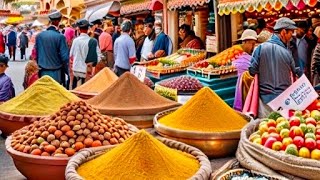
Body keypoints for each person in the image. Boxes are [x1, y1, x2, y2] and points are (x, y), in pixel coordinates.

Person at [249, 17, 298, 118]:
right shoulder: (287, 53)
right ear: (283, 32)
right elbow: (295, 72)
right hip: (283, 101)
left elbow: (252, 71)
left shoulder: (259, 48)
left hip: (264, 101)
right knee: (280, 130)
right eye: (291, 33)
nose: (292, 36)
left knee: (265, 130)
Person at [35, 11, 69, 85]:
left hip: (42, 71)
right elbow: (65, 57)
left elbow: (36, 54)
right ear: (58, 21)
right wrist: (67, 71)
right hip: (56, 72)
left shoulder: (39, 36)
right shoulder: (60, 37)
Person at [70, 19, 99, 89]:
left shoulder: (75, 41)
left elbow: (71, 55)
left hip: (76, 69)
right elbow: (97, 56)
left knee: (75, 90)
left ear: (79, 29)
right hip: (86, 71)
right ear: (88, 29)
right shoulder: (92, 41)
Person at [233, 29, 258, 111]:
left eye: (255, 44)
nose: (253, 47)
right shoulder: (236, 54)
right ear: (245, 42)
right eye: (252, 44)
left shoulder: (251, 58)